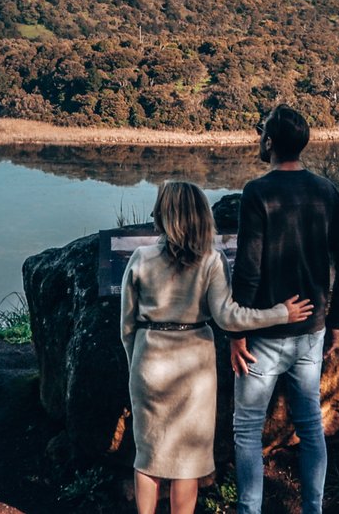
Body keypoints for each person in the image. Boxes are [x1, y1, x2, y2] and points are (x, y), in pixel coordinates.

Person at [121, 181, 314, 514]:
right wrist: (282, 313)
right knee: (187, 462)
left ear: (165, 216)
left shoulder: (141, 257)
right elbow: (229, 317)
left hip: (149, 361)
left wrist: (135, 364)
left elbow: (126, 325)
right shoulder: (211, 259)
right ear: (200, 215)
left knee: (148, 456)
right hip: (194, 367)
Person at [228, 105, 339, 514]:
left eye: (260, 130)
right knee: (311, 428)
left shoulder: (258, 193)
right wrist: (334, 322)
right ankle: (313, 508)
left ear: (270, 142)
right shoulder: (326, 190)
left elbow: (248, 271)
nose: (258, 136)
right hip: (311, 333)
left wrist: (237, 332)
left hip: (265, 335)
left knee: (247, 430)